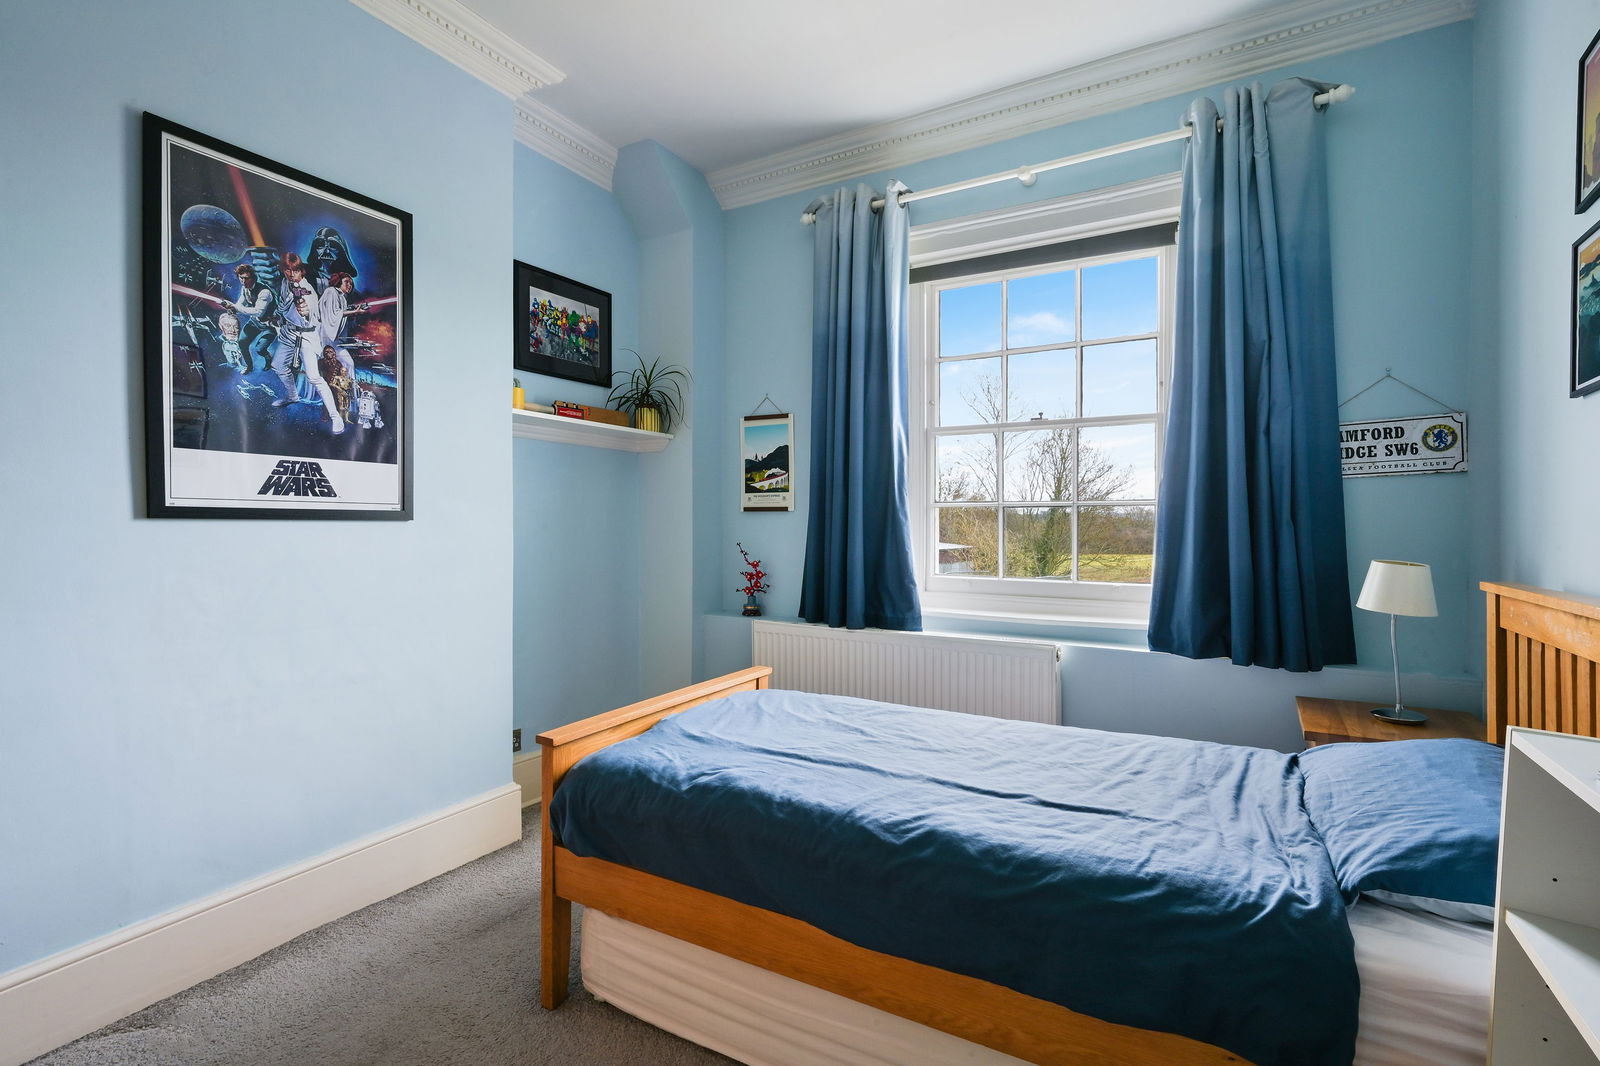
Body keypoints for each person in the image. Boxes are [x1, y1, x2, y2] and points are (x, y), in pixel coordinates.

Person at [319, 272, 367, 416]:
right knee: (329, 369)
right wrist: (353, 311)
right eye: (346, 282)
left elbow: (340, 316)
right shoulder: (331, 292)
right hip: (327, 338)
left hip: (336, 339)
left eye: (351, 283)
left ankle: (352, 401)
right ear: (338, 282)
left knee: (348, 364)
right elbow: (332, 315)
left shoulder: (342, 297)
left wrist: (354, 312)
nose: (349, 285)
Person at [229, 264, 275, 372]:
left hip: (270, 325)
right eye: (241, 278)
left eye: (246, 278)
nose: (243, 281)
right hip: (255, 322)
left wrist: (237, 308)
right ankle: (249, 367)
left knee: (260, 349)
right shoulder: (245, 289)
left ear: (253, 278)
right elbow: (240, 303)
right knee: (242, 342)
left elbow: (258, 312)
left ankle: (268, 359)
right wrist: (233, 309)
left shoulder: (264, 292)